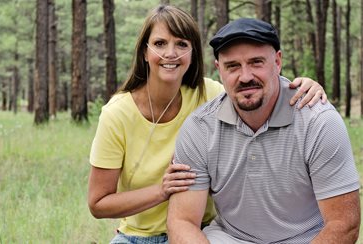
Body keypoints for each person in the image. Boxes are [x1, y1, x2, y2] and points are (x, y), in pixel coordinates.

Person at [88, 5, 327, 244]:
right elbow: (98, 204)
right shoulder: (117, 113)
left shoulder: (211, 94)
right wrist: (161, 191)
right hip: (138, 237)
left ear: (193, 53)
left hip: (200, 231)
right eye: (160, 43)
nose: (170, 53)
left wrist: (302, 85)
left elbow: (255, 90)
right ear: (144, 52)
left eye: (181, 44)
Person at [167, 18, 361, 244]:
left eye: (256, 62)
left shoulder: (319, 122)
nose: (245, 76)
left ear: (277, 62)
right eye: (233, 66)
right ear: (219, 69)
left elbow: (344, 224)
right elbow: (182, 222)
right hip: (231, 239)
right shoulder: (199, 128)